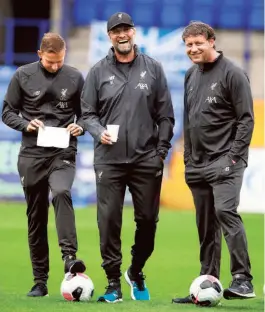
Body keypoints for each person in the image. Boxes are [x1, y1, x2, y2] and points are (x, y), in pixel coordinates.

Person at [81, 12, 174, 303]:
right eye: (116, 31)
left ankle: (135, 270)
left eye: (127, 30)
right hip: (108, 160)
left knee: (148, 221)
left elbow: (166, 115)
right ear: (110, 36)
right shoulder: (97, 71)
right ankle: (112, 283)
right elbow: (86, 114)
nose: (122, 35)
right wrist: (97, 132)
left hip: (146, 159)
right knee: (108, 221)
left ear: (133, 33)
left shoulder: (153, 69)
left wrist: (160, 152)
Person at [172, 21, 255, 304]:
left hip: (225, 161)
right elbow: (189, 118)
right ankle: (206, 283)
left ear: (212, 41)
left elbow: (246, 119)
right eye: (189, 45)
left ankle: (243, 279)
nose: (193, 49)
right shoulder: (190, 75)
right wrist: (187, 158)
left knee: (225, 213)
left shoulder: (233, 73)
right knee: (205, 227)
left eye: (198, 43)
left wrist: (233, 157)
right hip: (196, 163)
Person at [2, 32, 86, 297]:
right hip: (31, 154)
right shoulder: (22, 75)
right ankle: (40, 281)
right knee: (36, 218)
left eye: (59, 61)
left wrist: (80, 126)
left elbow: (87, 114)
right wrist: (26, 124)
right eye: (50, 62)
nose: (55, 66)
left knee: (61, 192)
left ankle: (70, 258)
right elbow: (6, 112)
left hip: (62, 152)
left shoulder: (74, 77)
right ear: (40, 55)